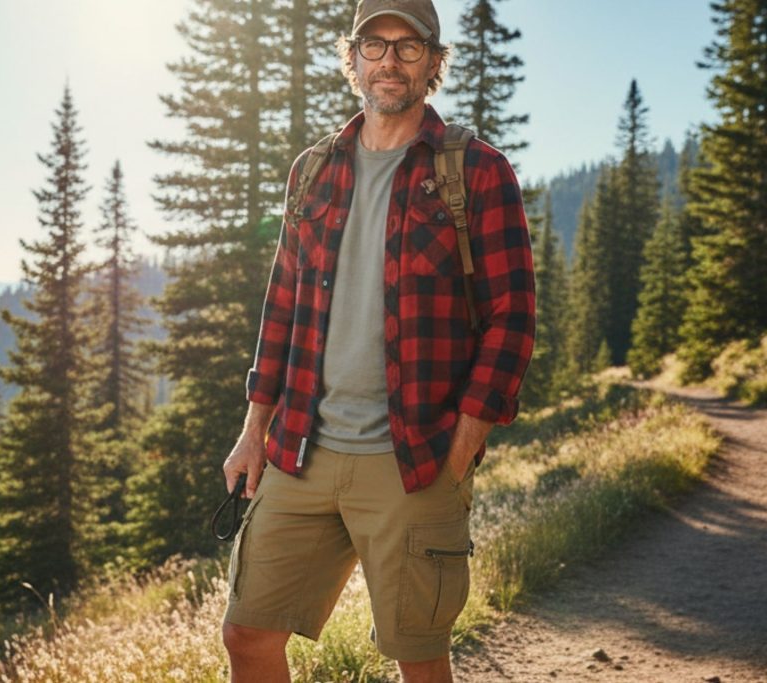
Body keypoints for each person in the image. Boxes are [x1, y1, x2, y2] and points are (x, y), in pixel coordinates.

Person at [220, 0, 535, 680]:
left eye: (409, 46)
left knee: (417, 657)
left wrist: (465, 442)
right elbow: (281, 308)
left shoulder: (477, 173)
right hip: (302, 447)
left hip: (415, 457)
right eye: (374, 44)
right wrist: (254, 431)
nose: (389, 59)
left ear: (434, 64)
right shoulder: (313, 170)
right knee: (247, 634)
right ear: (353, 58)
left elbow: (512, 318)